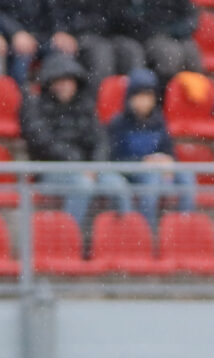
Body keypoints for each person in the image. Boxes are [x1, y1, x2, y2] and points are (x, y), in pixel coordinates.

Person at [20, 51, 131, 227]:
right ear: (50, 83)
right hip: (52, 172)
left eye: (68, 80)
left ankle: (124, 241)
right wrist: (77, 164)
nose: (64, 86)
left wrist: (94, 165)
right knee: (82, 185)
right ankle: (68, 241)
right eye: (59, 81)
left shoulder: (85, 106)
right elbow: (42, 142)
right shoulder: (36, 106)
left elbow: (100, 139)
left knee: (118, 185)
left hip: (89, 169)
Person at [108, 67, 196, 231]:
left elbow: (168, 150)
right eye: (139, 95)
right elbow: (114, 159)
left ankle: (185, 229)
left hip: (158, 168)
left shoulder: (159, 121)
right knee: (152, 181)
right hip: (133, 172)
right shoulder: (118, 123)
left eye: (148, 96)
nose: (144, 101)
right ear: (130, 97)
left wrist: (168, 160)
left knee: (186, 177)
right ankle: (146, 234)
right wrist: (142, 162)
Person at [50, 0, 145, 91]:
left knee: (132, 50)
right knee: (102, 54)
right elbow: (58, 10)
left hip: (111, 35)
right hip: (80, 35)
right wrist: (61, 30)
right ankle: (98, 103)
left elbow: (124, 17)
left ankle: (135, 101)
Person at [114, 0, 202, 92]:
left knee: (192, 55)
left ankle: (190, 98)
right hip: (150, 36)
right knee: (169, 55)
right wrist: (159, 31)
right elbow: (134, 18)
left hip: (175, 35)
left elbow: (191, 18)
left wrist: (175, 31)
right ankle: (162, 97)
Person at [0, 0, 48, 86]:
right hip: (9, 38)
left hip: (42, 36)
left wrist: (60, 32)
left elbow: (55, 13)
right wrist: (15, 32)